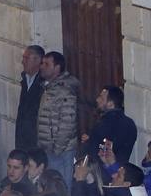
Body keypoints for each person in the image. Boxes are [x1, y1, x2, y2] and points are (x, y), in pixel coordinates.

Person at [35, 51, 79, 186]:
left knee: (61, 187)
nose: (42, 66)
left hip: (60, 152)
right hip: (48, 149)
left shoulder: (64, 91)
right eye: (42, 63)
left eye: (47, 64)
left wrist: (57, 148)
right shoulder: (49, 89)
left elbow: (67, 122)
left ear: (57, 68)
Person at [86, 85, 137, 167]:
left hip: (102, 173)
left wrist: (90, 141)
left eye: (101, 98)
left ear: (110, 104)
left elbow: (97, 150)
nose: (97, 100)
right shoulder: (130, 123)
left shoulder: (103, 124)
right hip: (121, 172)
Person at [14, 44, 44, 153]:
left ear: (38, 60)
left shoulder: (43, 83)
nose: (23, 61)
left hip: (35, 139)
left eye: (26, 58)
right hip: (22, 137)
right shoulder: (25, 80)